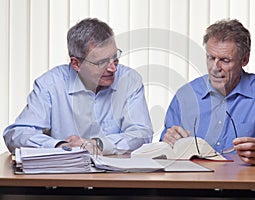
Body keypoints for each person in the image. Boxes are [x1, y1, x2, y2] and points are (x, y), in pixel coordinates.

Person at [3, 18, 153, 155]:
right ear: (76, 64)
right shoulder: (50, 85)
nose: (113, 68)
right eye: (101, 62)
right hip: (62, 180)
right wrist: (60, 147)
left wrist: (98, 145)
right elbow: (17, 134)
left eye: (115, 58)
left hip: (116, 178)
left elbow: (142, 134)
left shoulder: (129, 80)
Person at [160, 19, 255, 165]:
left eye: (225, 60)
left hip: (247, 183)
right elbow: (164, 147)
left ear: (244, 59)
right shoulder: (186, 95)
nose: (215, 67)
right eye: (211, 58)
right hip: (195, 182)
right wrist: (168, 142)